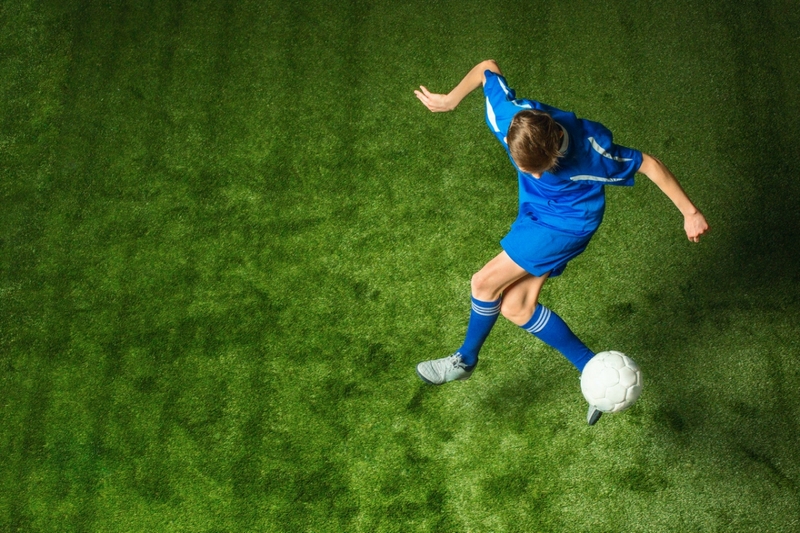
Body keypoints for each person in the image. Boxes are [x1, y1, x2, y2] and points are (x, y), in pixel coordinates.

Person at [413, 60, 709, 425]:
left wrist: (690, 212)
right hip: (535, 210)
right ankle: (592, 372)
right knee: (517, 306)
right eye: (526, 169)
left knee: (483, 283)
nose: (534, 174)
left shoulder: (591, 152)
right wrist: (450, 100)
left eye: (540, 169)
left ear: (555, 147)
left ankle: (464, 360)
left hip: (568, 222)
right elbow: (487, 68)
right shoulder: (509, 118)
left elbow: (649, 164)